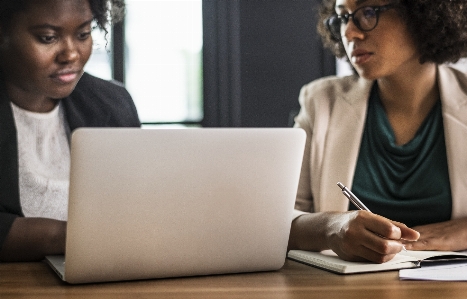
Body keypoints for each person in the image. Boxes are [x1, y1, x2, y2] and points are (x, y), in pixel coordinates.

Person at [288, 0, 467, 263]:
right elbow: (280, 217)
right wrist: (330, 229)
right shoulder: (321, 102)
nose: (349, 32)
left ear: (423, 13)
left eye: (368, 12)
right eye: (343, 17)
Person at [0, 0, 141, 262]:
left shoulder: (111, 104)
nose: (71, 54)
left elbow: (137, 205)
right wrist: (70, 236)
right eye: (48, 38)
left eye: (83, 35)